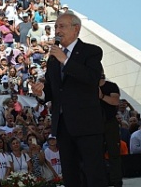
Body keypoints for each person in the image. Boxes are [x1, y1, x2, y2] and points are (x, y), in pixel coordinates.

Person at [32, 13, 107, 187]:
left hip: (87, 124)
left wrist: (65, 60)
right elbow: (52, 91)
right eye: (56, 27)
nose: (57, 30)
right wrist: (41, 93)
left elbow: (92, 78)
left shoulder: (91, 51)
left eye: (62, 26)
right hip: (63, 126)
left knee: (94, 173)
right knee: (71, 174)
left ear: (76, 29)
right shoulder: (52, 60)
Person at [99, 71, 122, 187]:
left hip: (109, 122)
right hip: (94, 124)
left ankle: (116, 180)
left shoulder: (111, 86)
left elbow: (115, 101)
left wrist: (101, 96)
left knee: (114, 153)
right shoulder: (88, 87)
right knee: (97, 154)